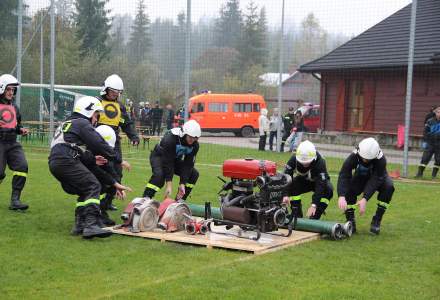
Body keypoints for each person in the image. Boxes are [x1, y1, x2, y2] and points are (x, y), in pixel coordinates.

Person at [48, 97, 129, 239]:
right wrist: (118, 159)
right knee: (93, 185)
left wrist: (92, 158)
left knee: (84, 189)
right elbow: (98, 143)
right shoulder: (82, 123)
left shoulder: (69, 123)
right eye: (97, 115)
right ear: (90, 112)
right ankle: (91, 225)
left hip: (56, 161)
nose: (96, 120)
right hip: (66, 159)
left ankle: (79, 225)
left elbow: (72, 147)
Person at [97, 74, 139, 211]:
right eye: (113, 92)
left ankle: (108, 201)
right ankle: (94, 200)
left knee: (117, 171)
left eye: (118, 92)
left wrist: (134, 137)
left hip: (114, 141)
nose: (115, 95)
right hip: (97, 140)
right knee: (99, 171)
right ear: (105, 89)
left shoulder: (120, 107)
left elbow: (127, 123)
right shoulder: (96, 103)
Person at [337, 137, 395, 234]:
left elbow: (375, 180)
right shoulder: (354, 156)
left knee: (389, 187)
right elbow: (344, 174)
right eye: (363, 158)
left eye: (368, 159)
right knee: (349, 190)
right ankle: (350, 221)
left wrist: (365, 198)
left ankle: (377, 219)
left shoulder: (381, 160)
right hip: (361, 176)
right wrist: (342, 195)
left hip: (379, 177)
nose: (365, 160)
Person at [142, 120, 201, 202]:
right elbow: (168, 162)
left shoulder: (195, 145)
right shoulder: (170, 139)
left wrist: (182, 183)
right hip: (159, 156)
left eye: (195, 138)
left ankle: (180, 200)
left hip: (175, 159)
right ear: (184, 133)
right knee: (160, 175)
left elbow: (188, 164)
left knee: (194, 174)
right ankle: (146, 197)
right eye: (190, 137)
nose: (192, 140)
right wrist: (169, 184)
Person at [282, 140, 333, 220]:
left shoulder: (320, 162)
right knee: (292, 185)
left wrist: (314, 205)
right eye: (302, 162)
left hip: (318, 182)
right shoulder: (294, 159)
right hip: (304, 181)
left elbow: (321, 186)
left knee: (328, 190)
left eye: (307, 162)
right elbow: (286, 176)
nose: (304, 164)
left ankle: (315, 216)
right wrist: (285, 195)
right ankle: (296, 214)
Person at [0, 74, 29, 211]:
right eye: (8, 89)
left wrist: (20, 130)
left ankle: (15, 200)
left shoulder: (15, 108)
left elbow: (16, 126)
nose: (11, 92)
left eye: (13, 90)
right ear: (2, 89)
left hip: (12, 143)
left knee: (22, 167)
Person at [416, 106, 440, 179]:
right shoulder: (430, 121)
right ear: (435, 113)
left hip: (439, 144)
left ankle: (434, 176)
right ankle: (419, 174)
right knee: (425, 158)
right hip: (430, 143)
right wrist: (425, 141)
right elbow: (425, 132)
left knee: (438, 160)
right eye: (438, 112)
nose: (439, 113)